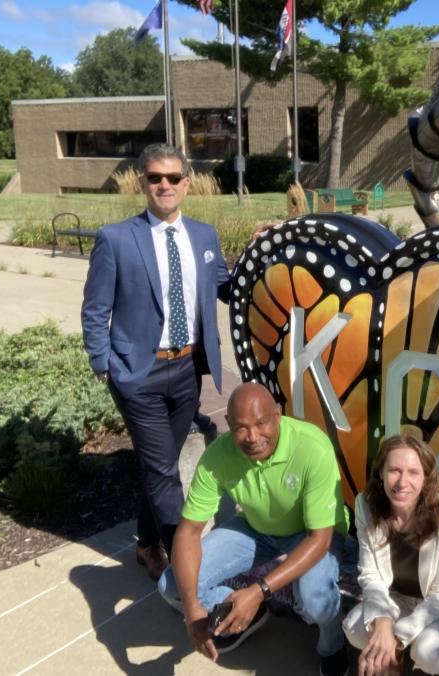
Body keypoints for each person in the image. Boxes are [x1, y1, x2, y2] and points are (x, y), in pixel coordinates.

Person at [81, 142, 230, 580]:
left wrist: (263, 253)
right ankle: (185, 570)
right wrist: (102, 362)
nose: (164, 185)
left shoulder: (204, 236)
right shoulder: (116, 238)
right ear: (142, 182)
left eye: (173, 177)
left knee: (157, 463)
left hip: (187, 369)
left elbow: (224, 285)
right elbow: (95, 308)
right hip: (137, 373)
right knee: (165, 472)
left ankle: (147, 545)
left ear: (187, 183)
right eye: (154, 177)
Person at [158, 383, 349, 675]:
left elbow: (320, 540)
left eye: (261, 424)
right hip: (256, 528)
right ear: (228, 425)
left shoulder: (311, 447)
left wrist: (259, 589)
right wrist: (193, 609)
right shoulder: (218, 457)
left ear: (278, 415)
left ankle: (332, 646)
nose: (253, 437)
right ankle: (247, 613)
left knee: (314, 600)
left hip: (312, 534)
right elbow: (188, 533)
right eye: (241, 428)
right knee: (172, 587)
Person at [343, 435, 439, 676]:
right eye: (394, 470)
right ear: (381, 473)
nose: (402, 482)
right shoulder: (366, 505)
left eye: (413, 472)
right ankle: (394, 665)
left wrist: (396, 637)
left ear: (426, 477)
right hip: (398, 597)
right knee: (356, 628)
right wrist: (382, 621)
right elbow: (370, 574)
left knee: (427, 651)